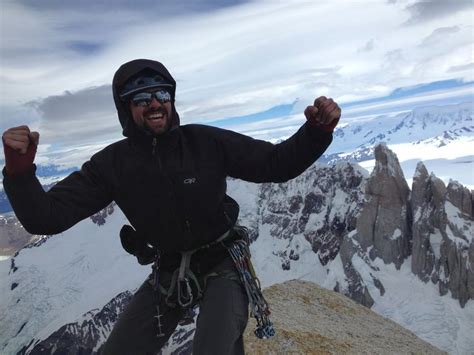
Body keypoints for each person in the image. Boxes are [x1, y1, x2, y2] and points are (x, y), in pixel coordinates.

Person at [2, 59, 341, 355]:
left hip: (223, 261)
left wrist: (316, 132)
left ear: (172, 100)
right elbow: (46, 217)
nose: (154, 103)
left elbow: (274, 164)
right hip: (169, 269)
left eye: (162, 94)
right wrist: (19, 173)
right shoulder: (112, 165)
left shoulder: (204, 142)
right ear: (125, 108)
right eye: (140, 97)